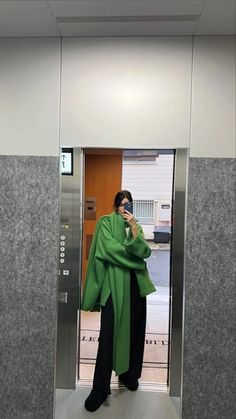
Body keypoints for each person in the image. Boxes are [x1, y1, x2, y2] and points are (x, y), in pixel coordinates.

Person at [81, 190, 156, 412]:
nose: (126, 208)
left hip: (135, 287)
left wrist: (134, 228)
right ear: (115, 206)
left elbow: (144, 251)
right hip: (113, 287)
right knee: (107, 337)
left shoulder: (136, 226)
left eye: (129, 204)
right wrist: (134, 259)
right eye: (123, 204)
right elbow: (109, 251)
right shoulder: (105, 223)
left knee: (135, 333)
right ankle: (100, 388)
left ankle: (129, 375)